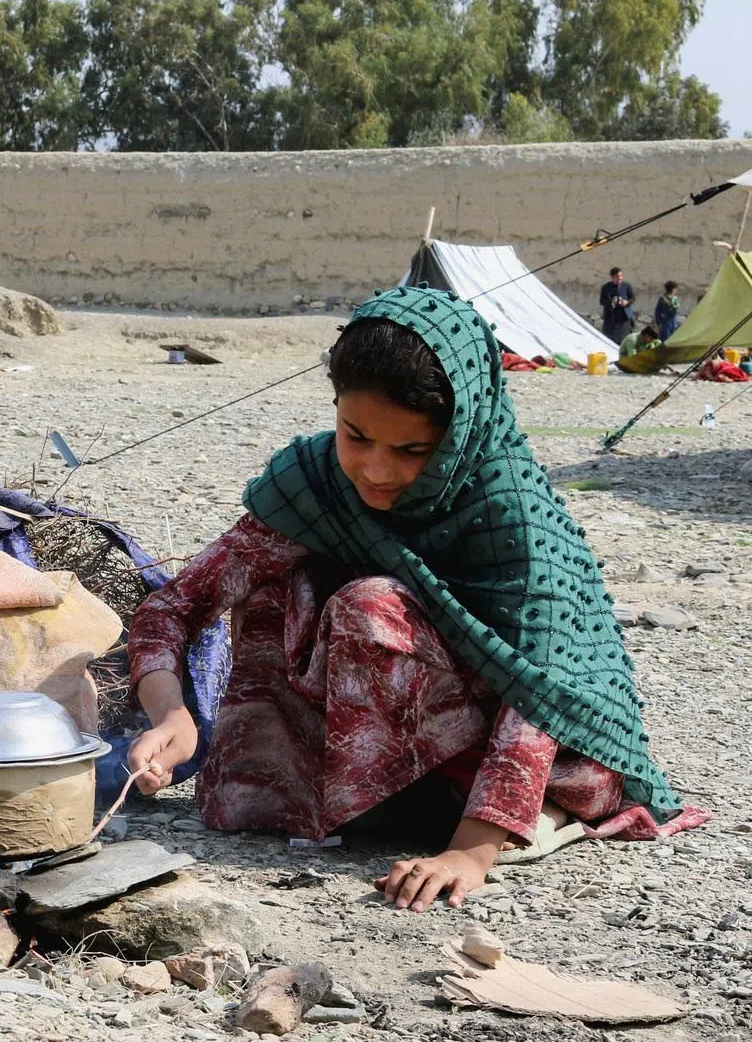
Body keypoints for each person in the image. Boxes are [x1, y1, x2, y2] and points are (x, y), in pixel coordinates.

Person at [126, 286, 707, 914]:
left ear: (458, 437)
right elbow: (176, 606)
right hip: (398, 761)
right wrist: (173, 716)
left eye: (412, 451)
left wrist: (472, 851)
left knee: (368, 604)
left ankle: (501, 814)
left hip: (549, 755)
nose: (377, 471)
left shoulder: (511, 511)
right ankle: (358, 803)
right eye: (357, 437)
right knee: (274, 585)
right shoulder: (314, 484)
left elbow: (540, 697)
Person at [599, 267, 635, 344]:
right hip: (610, 319)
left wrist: (627, 302)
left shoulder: (626, 286)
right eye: (617, 276)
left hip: (624, 319)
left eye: (621, 276)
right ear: (612, 277)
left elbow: (632, 298)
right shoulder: (606, 287)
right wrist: (611, 302)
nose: (620, 278)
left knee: (623, 341)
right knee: (609, 341)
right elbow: (602, 301)